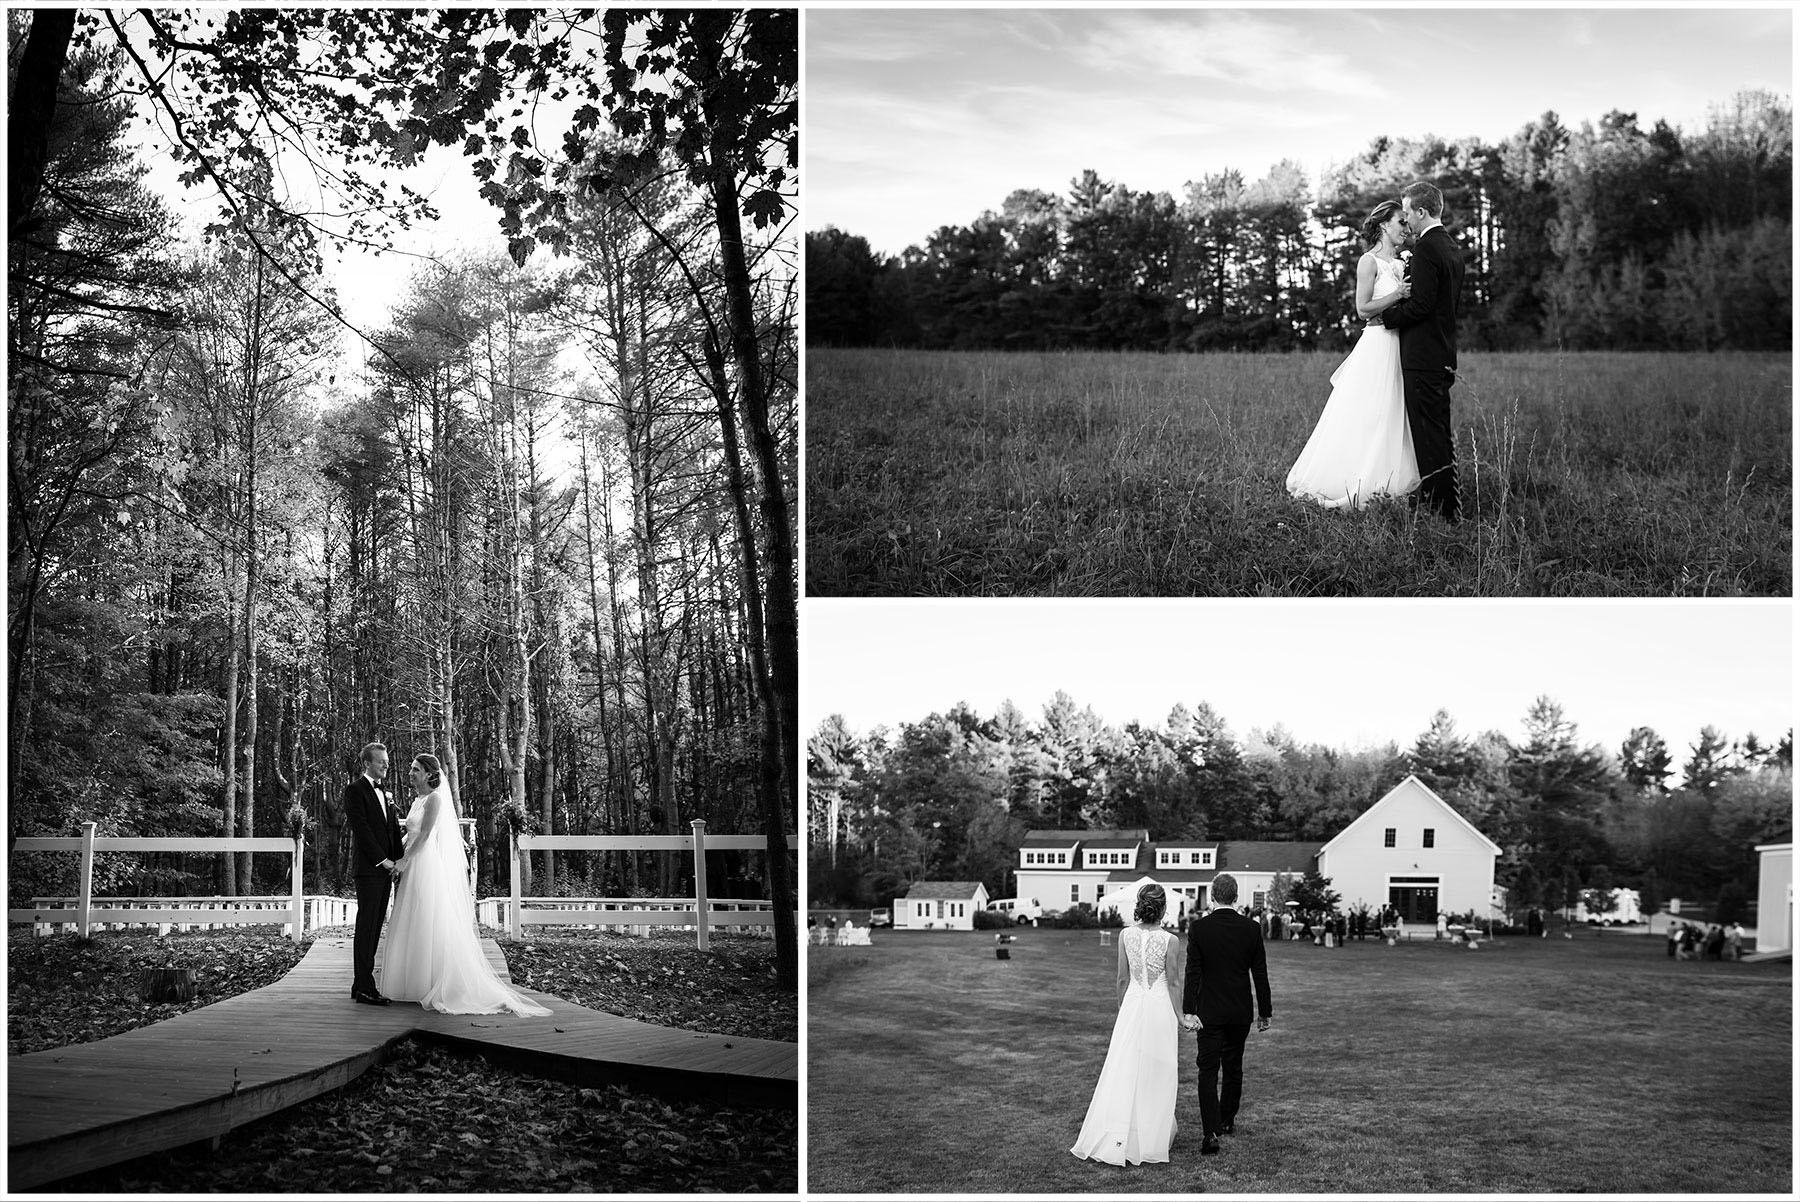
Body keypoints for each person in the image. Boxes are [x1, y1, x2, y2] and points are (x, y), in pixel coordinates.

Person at [380, 753, 552, 1017]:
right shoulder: (417, 800)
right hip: (413, 863)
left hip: (425, 865)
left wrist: (404, 861)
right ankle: (412, 983)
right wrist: (397, 856)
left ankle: (433, 982)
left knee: (428, 918)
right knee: (412, 919)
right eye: (411, 769)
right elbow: (411, 834)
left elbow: (425, 835)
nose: (410, 774)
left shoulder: (435, 798)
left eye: (415, 770)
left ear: (428, 773)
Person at [1286, 199, 1419, 508]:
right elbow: (1362, 310)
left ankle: (1392, 482)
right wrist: (1397, 294)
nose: (1406, 228)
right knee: (1372, 413)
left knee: (1396, 414)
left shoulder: (1403, 261)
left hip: (1402, 344)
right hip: (1378, 344)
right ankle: (1359, 480)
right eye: (1401, 221)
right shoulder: (1368, 262)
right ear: (1384, 224)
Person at [1071, 883, 1185, 1166]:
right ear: (1162, 908)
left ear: (1140, 905)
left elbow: (1122, 978)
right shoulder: (1171, 941)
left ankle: (1127, 1134)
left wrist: (1125, 1008)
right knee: (1159, 1068)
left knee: (1126, 1067)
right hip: (1159, 1007)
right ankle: (1152, 1136)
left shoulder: (1125, 935)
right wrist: (1181, 1016)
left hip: (1133, 1004)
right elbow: (1172, 982)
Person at [1378, 179, 1466, 522]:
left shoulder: (1428, 248)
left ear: (1422, 211)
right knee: (1437, 432)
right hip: (1442, 352)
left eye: (1409, 214)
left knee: (1429, 436)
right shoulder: (1450, 247)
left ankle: (1442, 510)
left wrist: (1387, 316)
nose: (1407, 222)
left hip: (1423, 357)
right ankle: (1446, 502)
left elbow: (1422, 306)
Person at [1181, 873, 1273, 1157]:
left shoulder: (1199, 928)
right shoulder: (1250, 928)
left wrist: (1188, 1010)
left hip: (1208, 1011)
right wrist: (1265, 1011)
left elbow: (1192, 973)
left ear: (1212, 896)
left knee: (1207, 1070)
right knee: (1233, 1066)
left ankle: (1211, 1132)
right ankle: (1226, 1119)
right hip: (1238, 1010)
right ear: (1236, 897)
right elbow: (1260, 973)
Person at [345, 742, 405, 1005]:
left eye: (387, 761)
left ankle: (360, 985)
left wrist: (399, 862)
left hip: (386, 870)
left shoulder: (387, 795)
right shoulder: (354, 791)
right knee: (366, 927)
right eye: (381, 761)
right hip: (369, 870)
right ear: (367, 763)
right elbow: (362, 831)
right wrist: (383, 861)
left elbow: (392, 831)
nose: (386, 764)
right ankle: (366, 988)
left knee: (374, 926)